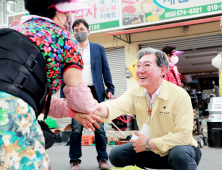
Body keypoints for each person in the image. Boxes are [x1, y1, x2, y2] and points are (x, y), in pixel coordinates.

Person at [0, 0, 103, 169]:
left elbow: (28, 94)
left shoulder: (16, 32)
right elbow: (78, 95)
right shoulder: (63, 38)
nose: (70, 17)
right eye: (69, 13)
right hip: (11, 115)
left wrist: (72, 113)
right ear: (60, 12)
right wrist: (95, 109)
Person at [90, 47, 202, 170]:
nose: (140, 70)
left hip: (179, 148)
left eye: (147, 65)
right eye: (138, 66)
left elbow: (183, 136)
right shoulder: (135, 92)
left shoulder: (179, 95)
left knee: (179, 155)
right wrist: (95, 108)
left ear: (162, 70)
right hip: (151, 149)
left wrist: (149, 143)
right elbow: (115, 106)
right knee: (117, 154)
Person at [60, 19, 114, 170]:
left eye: (82, 29)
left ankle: (103, 159)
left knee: (99, 128)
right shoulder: (70, 49)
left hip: (96, 92)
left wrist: (110, 88)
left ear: (88, 31)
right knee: (76, 128)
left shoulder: (98, 48)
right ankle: (75, 161)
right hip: (75, 92)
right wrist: (62, 93)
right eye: (76, 30)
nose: (79, 32)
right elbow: (63, 72)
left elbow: (106, 69)